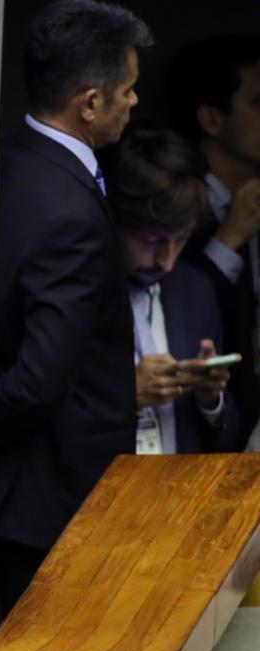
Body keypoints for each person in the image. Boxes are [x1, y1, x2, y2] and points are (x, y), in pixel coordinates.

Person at [0, 0, 152, 615]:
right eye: (127, 91)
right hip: (57, 501)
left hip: (19, 494)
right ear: (89, 102)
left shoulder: (4, 162)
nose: (134, 102)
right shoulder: (72, 212)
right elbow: (39, 379)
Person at [103, 126, 238, 455]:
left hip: (176, 496)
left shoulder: (194, 290)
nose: (167, 261)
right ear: (115, 224)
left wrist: (211, 399)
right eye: (152, 242)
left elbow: (226, 441)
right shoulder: (78, 293)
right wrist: (125, 394)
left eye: (181, 239)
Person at [167, 35, 260, 450]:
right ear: (211, 119)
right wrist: (230, 238)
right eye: (258, 104)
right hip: (205, 434)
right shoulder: (173, 204)